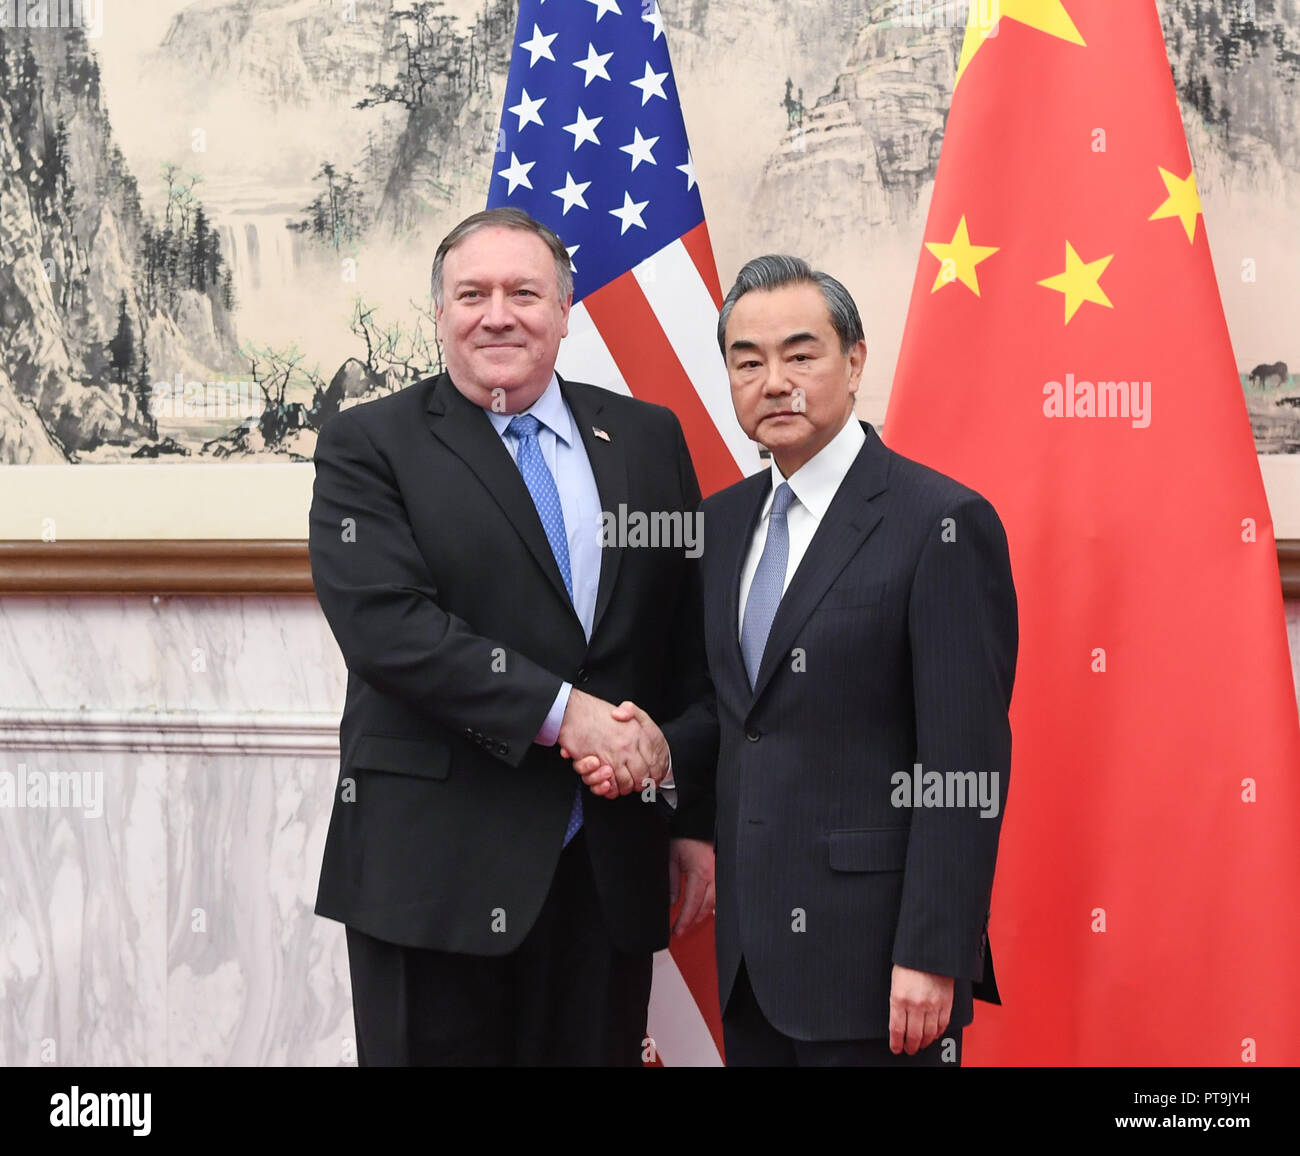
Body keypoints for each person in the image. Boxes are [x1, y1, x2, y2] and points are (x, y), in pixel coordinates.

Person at [583, 254, 1017, 1065]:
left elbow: (966, 764)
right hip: (753, 963)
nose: (774, 380)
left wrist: (932, 953)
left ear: (854, 362)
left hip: (881, 966)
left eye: (800, 354)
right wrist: (659, 748)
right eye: (747, 361)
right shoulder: (719, 526)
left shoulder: (941, 524)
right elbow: (735, 715)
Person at [308, 207, 716, 1066]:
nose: (498, 313)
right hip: (436, 880)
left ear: (566, 310)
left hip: (605, 874)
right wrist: (570, 717)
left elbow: (688, 647)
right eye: (473, 294)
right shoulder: (369, 444)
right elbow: (390, 628)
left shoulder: (647, 440)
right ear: (441, 315)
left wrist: (688, 808)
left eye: (524, 292)